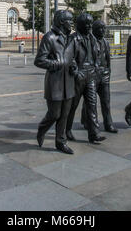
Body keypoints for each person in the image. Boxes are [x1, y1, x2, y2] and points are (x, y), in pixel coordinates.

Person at [35, 10, 76, 155]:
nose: (71, 23)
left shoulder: (70, 39)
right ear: (61, 22)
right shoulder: (49, 37)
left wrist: (73, 65)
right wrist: (56, 64)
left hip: (69, 82)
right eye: (69, 20)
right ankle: (42, 128)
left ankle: (61, 142)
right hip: (55, 83)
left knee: (64, 115)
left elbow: (72, 57)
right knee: (54, 114)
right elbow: (39, 60)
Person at [66, 13, 106, 144]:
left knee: (92, 104)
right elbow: (68, 57)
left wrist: (95, 66)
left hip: (91, 75)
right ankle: (66, 130)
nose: (89, 26)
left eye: (90, 23)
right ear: (80, 25)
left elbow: (97, 54)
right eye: (87, 23)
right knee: (73, 106)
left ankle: (94, 133)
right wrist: (76, 71)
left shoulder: (92, 38)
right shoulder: (73, 39)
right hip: (79, 76)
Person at [81, 20, 118, 134]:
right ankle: (88, 121)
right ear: (95, 29)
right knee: (90, 101)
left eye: (104, 28)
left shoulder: (106, 42)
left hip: (104, 74)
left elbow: (107, 58)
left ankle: (108, 123)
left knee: (106, 101)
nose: (103, 30)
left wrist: (108, 70)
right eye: (100, 28)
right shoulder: (89, 41)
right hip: (92, 74)